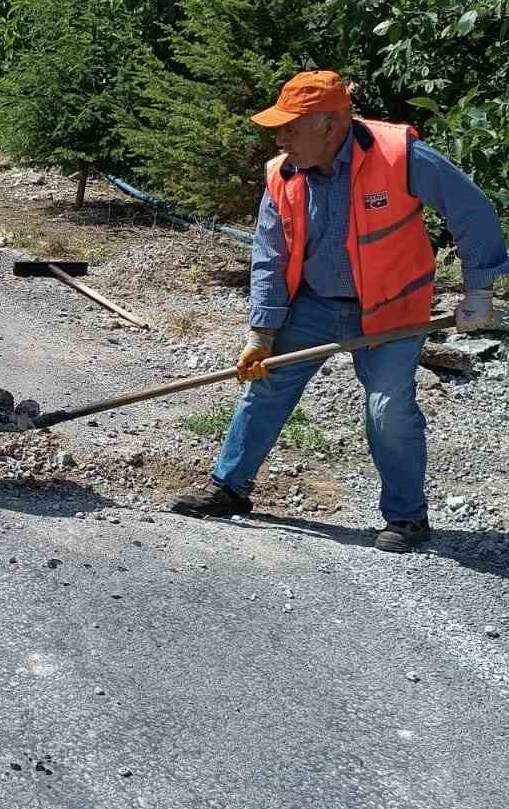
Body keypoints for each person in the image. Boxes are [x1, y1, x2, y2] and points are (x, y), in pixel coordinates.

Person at [172, 70, 508, 552]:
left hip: (393, 306)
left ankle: (407, 518)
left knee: (388, 408)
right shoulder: (283, 174)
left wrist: (479, 291)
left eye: (290, 127)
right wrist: (262, 332)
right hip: (314, 303)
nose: (280, 138)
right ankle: (229, 487)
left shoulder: (400, 155)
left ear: (329, 126)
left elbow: (472, 211)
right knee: (266, 385)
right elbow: (270, 256)